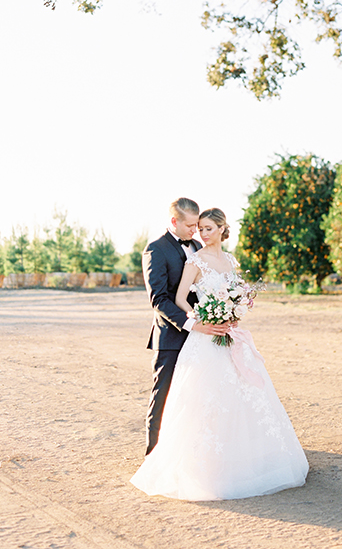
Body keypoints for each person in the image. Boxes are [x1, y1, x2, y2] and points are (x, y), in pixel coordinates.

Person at [131, 207, 309, 500]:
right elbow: (168, 299)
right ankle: (159, 457)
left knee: (240, 396)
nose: (199, 233)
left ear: (222, 229)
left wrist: (235, 312)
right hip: (194, 336)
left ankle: (242, 458)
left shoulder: (230, 260)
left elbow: (237, 293)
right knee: (182, 398)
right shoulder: (183, 256)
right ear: (180, 223)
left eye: (205, 228)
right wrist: (202, 320)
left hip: (226, 335)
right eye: (197, 228)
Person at [142, 198, 230, 456]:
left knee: (198, 396)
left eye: (198, 226)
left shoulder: (196, 247)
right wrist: (192, 324)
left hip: (203, 337)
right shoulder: (155, 249)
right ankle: (153, 455)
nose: (196, 231)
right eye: (191, 226)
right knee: (164, 395)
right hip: (171, 336)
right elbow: (158, 299)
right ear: (174, 221)